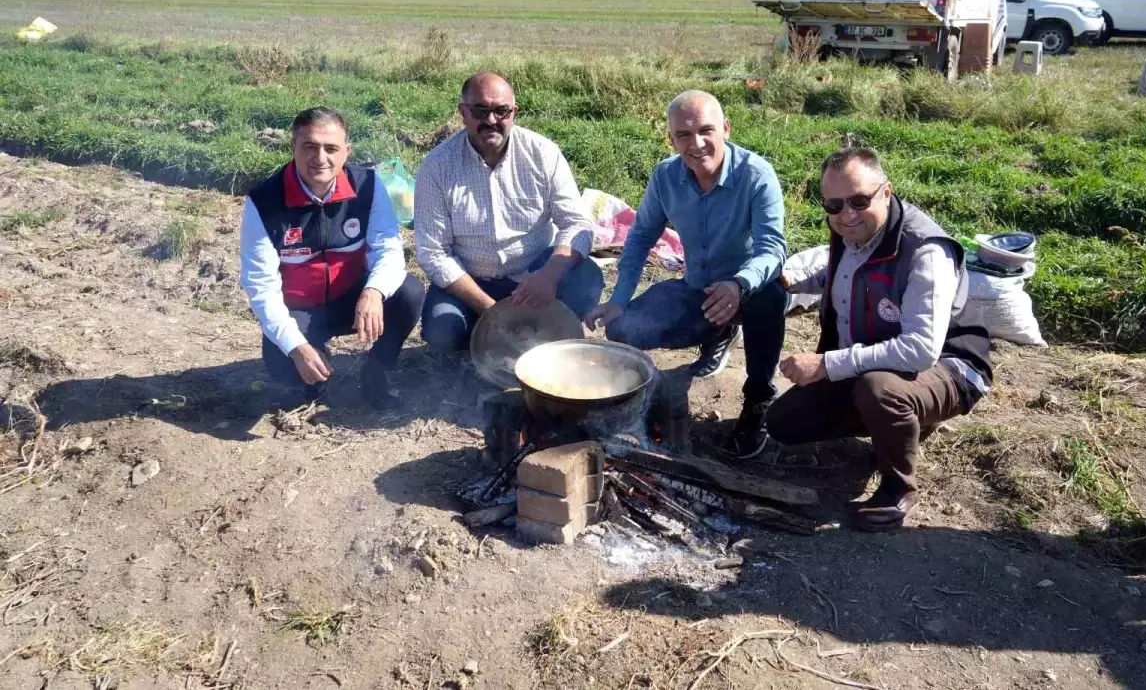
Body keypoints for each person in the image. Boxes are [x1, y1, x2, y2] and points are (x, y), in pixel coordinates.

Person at [767, 147, 992, 531]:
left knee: (880, 389)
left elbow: (920, 350)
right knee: (784, 423)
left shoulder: (925, 251)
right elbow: (836, 271)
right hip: (878, 356)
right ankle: (900, 423)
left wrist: (826, 364)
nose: (847, 214)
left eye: (859, 200)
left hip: (949, 366)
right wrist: (787, 280)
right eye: (834, 205)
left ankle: (898, 488)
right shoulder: (849, 230)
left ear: (885, 192)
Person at [586, 90, 788, 459]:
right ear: (671, 138)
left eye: (706, 131)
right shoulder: (665, 176)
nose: (696, 144)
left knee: (771, 299)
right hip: (697, 289)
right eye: (683, 135)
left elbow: (772, 248)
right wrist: (617, 301)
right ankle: (711, 341)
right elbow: (639, 239)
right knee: (623, 327)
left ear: (725, 129)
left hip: (748, 287)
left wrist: (739, 285)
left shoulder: (756, 176)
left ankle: (758, 400)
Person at [240, 107, 425, 408]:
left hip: (351, 299)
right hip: (299, 309)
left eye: (331, 148)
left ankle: (377, 370)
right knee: (283, 363)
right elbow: (260, 286)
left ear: (347, 152)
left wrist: (374, 292)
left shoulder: (369, 185)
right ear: (293, 147)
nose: (320, 158)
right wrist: (296, 346)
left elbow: (388, 250)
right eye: (309, 146)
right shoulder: (263, 201)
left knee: (409, 291)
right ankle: (314, 377)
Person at [414, 71, 603, 353]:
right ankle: (491, 332)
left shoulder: (542, 153)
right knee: (442, 331)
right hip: (472, 280)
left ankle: (549, 327)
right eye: (480, 110)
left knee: (586, 277)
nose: (490, 120)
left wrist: (549, 275)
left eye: (501, 111)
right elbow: (433, 253)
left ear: (514, 112)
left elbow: (578, 224)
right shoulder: (437, 166)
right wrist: (491, 310)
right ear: (463, 112)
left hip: (534, 274)